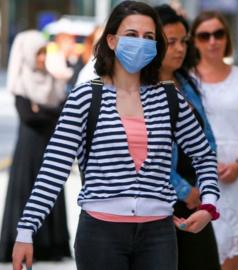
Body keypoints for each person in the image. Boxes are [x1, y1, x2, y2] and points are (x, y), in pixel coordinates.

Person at [11, 2, 220, 270]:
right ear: (111, 40)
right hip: (100, 235)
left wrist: (209, 205)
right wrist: (27, 230)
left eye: (149, 37)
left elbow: (204, 156)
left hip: (158, 235)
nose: (141, 43)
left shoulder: (169, 99)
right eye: (131, 35)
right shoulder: (85, 97)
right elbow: (54, 168)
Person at [192, 11, 238, 270]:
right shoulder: (186, 80)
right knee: (203, 246)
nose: (212, 41)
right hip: (199, 173)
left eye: (218, 34)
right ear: (195, 41)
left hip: (237, 171)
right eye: (204, 35)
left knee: (235, 247)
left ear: (227, 38)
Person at [155, 4, 221, 270]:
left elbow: (207, 141)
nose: (180, 48)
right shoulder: (140, 90)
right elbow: (143, 153)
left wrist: (205, 191)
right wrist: (183, 190)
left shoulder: (186, 82)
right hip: (164, 199)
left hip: (196, 197)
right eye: (171, 42)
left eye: (183, 41)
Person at [0, 30, 70, 262]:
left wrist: (44, 111)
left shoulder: (53, 79)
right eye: (38, 53)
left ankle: (51, 245)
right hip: (28, 150)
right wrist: (50, 113)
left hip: (50, 145)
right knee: (26, 193)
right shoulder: (21, 81)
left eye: (43, 53)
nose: (41, 58)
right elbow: (28, 117)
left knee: (50, 189)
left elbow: (63, 112)